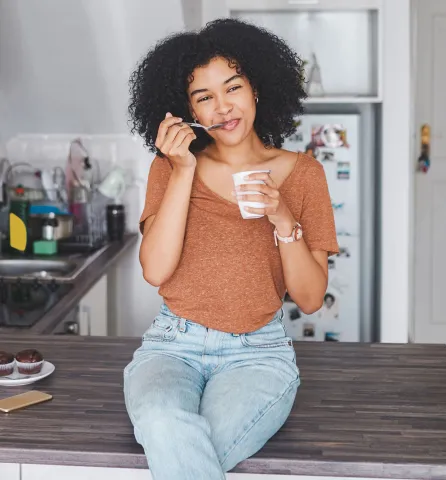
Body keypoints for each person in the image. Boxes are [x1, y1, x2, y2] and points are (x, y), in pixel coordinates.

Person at [123, 18, 339, 480]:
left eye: (232, 87)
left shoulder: (304, 176)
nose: (222, 107)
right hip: (171, 347)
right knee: (165, 423)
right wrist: (182, 171)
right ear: (187, 110)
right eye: (204, 97)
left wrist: (283, 219)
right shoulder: (169, 170)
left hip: (258, 354)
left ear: (256, 87)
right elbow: (156, 271)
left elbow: (310, 298)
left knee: (185, 449)